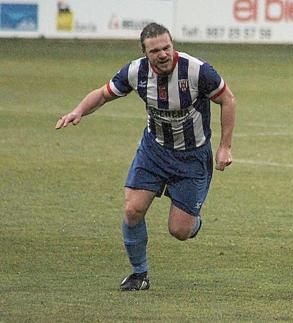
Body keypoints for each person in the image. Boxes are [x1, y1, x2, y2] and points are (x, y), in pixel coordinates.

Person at [55, 23, 236, 291]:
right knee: (133, 209)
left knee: (180, 230)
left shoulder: (197, 70)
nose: (162, 54)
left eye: (166, 48)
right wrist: (78, 111)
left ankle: (191, 218)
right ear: (145, 52)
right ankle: (139, 274)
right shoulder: (135, 72)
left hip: (192, 156)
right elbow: (103, 94)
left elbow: (228, 100)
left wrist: (225, 147)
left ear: (172, 45)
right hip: (155, 150)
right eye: (155, 51)